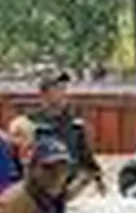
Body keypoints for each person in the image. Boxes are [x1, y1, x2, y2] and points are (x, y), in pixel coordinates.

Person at [28, 71, 105, 200]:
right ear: (44, 93)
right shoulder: (31, 123)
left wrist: (98, 180)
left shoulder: (75, 123)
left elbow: (86, 156)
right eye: (58, 88)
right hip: (42, 191)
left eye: (64, 88)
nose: (64, 92)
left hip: (72, 191)